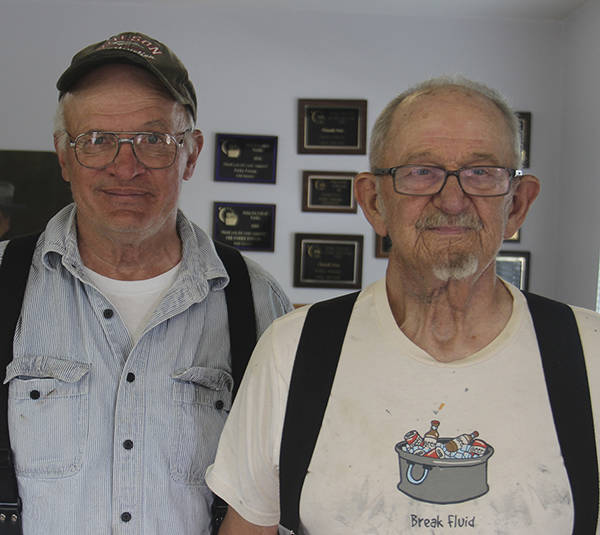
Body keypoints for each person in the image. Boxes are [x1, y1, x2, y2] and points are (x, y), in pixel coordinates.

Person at [205, 76, 600, 533]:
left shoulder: (590, 355)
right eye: (421, 171)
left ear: (516, 205)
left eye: (481, 173)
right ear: (374, 202)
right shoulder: (291, 351)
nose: (453, 200)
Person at [0, 32, 291, 534]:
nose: (125, 166)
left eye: (154, 139)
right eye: (97, 140)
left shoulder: (258, 302)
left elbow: (281, 488)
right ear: (64, 156)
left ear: (192, 153)